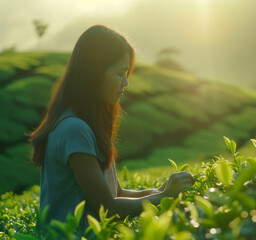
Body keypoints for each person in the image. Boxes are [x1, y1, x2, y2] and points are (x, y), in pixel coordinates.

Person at [28, 25, 195, 232]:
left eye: (127, 74)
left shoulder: (88, 124)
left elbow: (116, 192)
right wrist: (163, 197)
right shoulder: (74, 129)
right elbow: (107, 207)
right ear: (94, 73)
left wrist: (160, 190)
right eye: (119, 73)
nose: (125, 83)